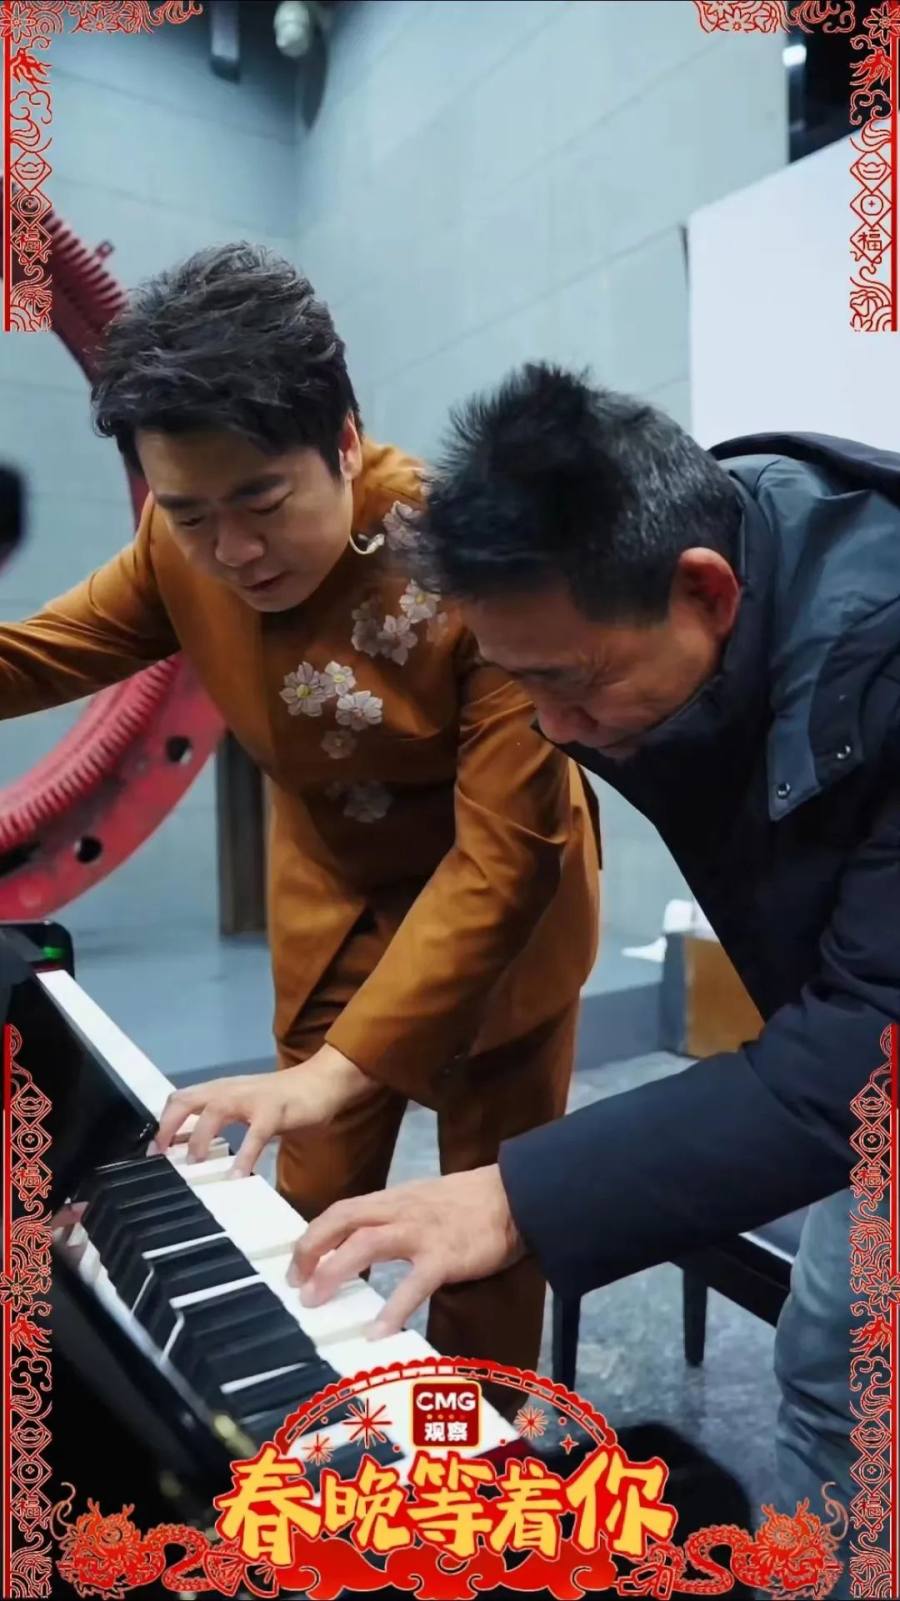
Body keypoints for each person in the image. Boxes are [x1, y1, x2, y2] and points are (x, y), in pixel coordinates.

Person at [288, 363, 899, 1580]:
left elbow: (867, 1036)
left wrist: (518, 1195)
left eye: (571, 682)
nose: (555, 727)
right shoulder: (691, 579)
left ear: (706, 591)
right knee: (838, 1360)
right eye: (524, 681)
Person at [0, 263, 601, 1377]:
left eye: (263, 503)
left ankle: (489, 1448)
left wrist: (337, 1067)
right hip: (334, 898)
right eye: (189, 513)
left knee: (486, 1223)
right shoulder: (179, 551)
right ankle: (318, 1419)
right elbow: (38, 654)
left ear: (345, 441)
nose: (232, 550)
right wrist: (323, 1078)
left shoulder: (479, 557)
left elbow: (504, 858)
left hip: (500, 916)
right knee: (306, 1207)